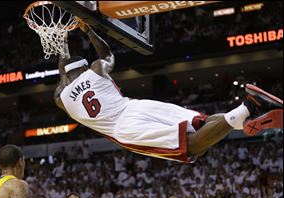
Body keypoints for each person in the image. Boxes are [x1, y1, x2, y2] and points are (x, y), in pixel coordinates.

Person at [54, 21, 283, 164]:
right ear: (83, 66)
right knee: (201, 126)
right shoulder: (95, 71)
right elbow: (107, 55)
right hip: (137, 106)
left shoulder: (61, 98)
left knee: (192, 147)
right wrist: (88, 30)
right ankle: (251, 113)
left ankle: (248, 107)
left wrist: (60, 43)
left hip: (124, 128)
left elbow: (63, 74)